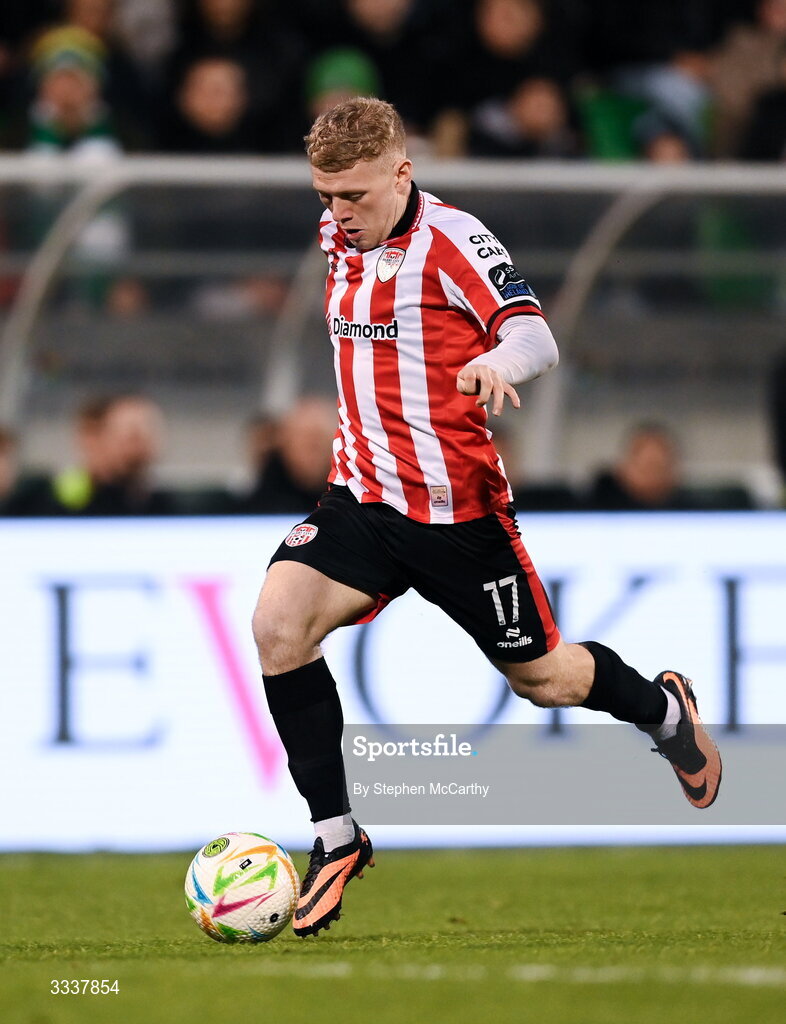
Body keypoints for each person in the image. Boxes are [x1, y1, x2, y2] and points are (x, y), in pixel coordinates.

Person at [252, 98, 722, 939]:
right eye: (325, 197)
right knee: (278, 627)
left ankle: (663, 712)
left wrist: (492, 364)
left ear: (403, 171)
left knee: (544, 678)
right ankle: (336, 837)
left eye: (353, 195)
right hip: (361, 495)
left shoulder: (453, 241)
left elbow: (535, 336)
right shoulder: (340, 235)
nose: (338, 214)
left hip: (458, 514)